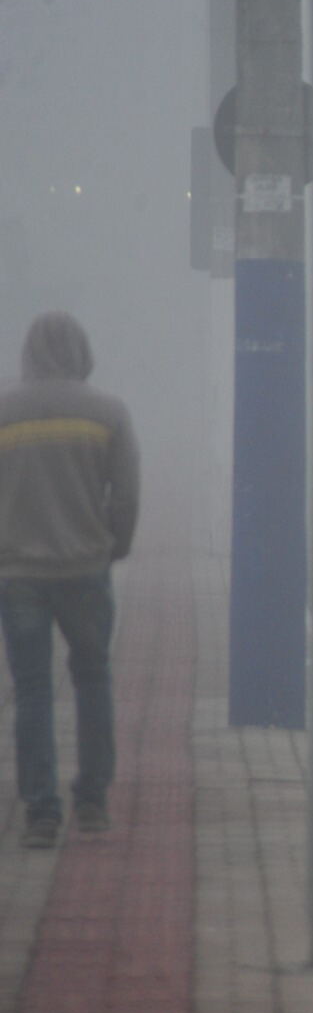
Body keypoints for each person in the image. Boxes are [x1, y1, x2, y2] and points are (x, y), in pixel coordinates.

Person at [0, 312, 139, 847]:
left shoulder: (5, 410)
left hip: (20, 573)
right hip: (85, 569)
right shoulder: (108, 411)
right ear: (83, 352)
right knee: (93, 678)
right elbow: (126, 494)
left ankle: (40, 812)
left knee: (33, 691)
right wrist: (115, 545)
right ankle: (92, 801)